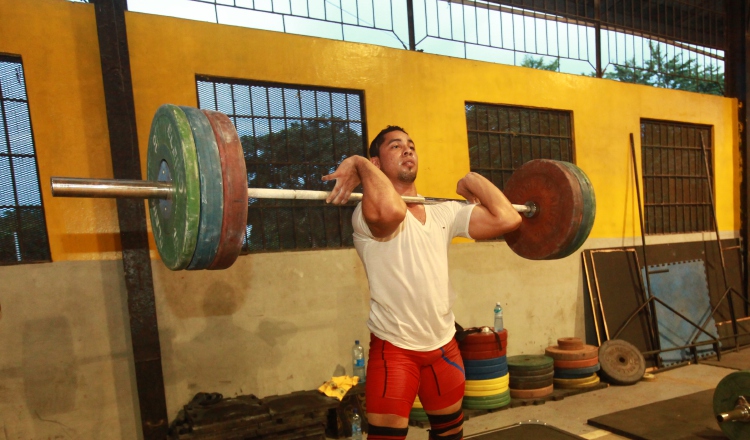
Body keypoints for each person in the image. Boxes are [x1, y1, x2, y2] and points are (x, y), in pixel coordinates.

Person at [322, 126, 521, 440]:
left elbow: (508, 219)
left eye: (411, 145)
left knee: (450, 435)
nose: (408, 150)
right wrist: (360, 163)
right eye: (396, 146)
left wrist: (471, 180)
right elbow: (392, 210)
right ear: (376, 162)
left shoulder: (443, 212)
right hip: (395, 351)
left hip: (444, 349)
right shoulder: (365, 214)